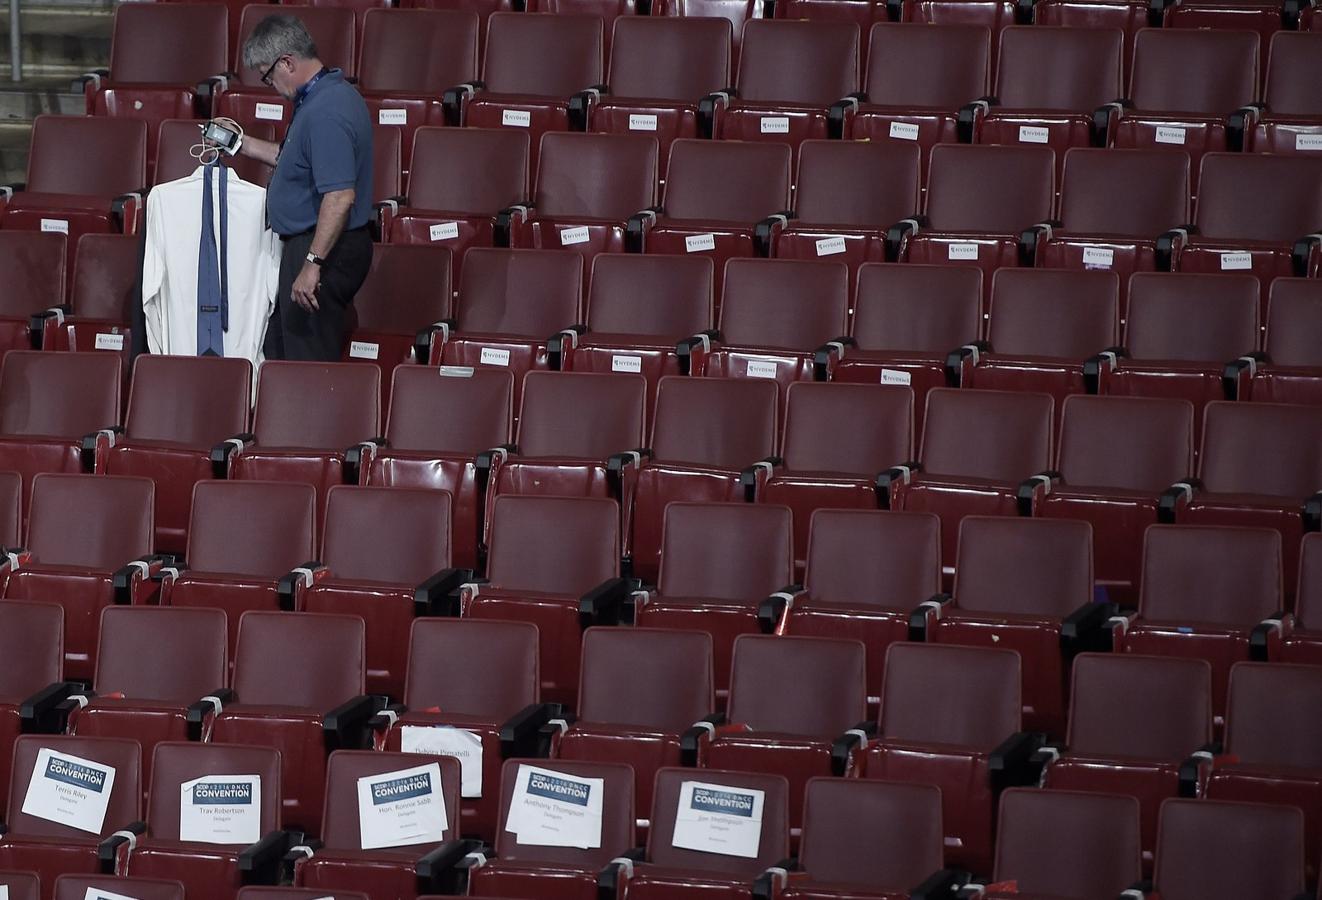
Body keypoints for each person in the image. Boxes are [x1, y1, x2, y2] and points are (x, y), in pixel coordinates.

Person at [235, 14, 373, 361]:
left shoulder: (326, 111)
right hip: (314, 245)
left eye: (268, 76)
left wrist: (312, 264)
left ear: (288, 62)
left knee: (305, 363)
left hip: (322, 249)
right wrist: (241, 143)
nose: (271, 87)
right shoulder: (320, 98)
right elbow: (296, 162)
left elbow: (340, 196)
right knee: (283, 353)